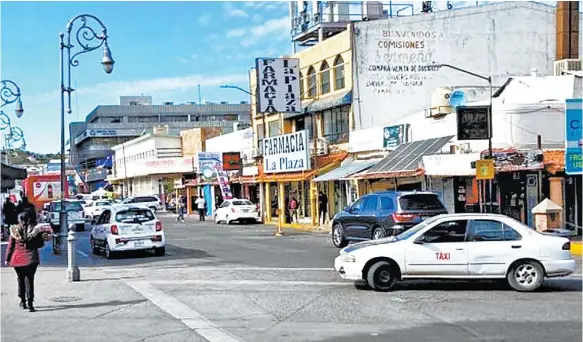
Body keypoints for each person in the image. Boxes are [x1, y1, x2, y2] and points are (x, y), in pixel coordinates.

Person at [4, 211, 45, 312]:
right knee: (30, 280)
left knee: (20, 279)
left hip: (18, 259)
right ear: (28, 219)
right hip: (31, 259)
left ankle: (23, 302)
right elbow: (40, 244)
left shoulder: (14, 231)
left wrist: (7, 259)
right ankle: (30, 304)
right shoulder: (35, 230)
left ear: (19, 220)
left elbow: (10, 246)